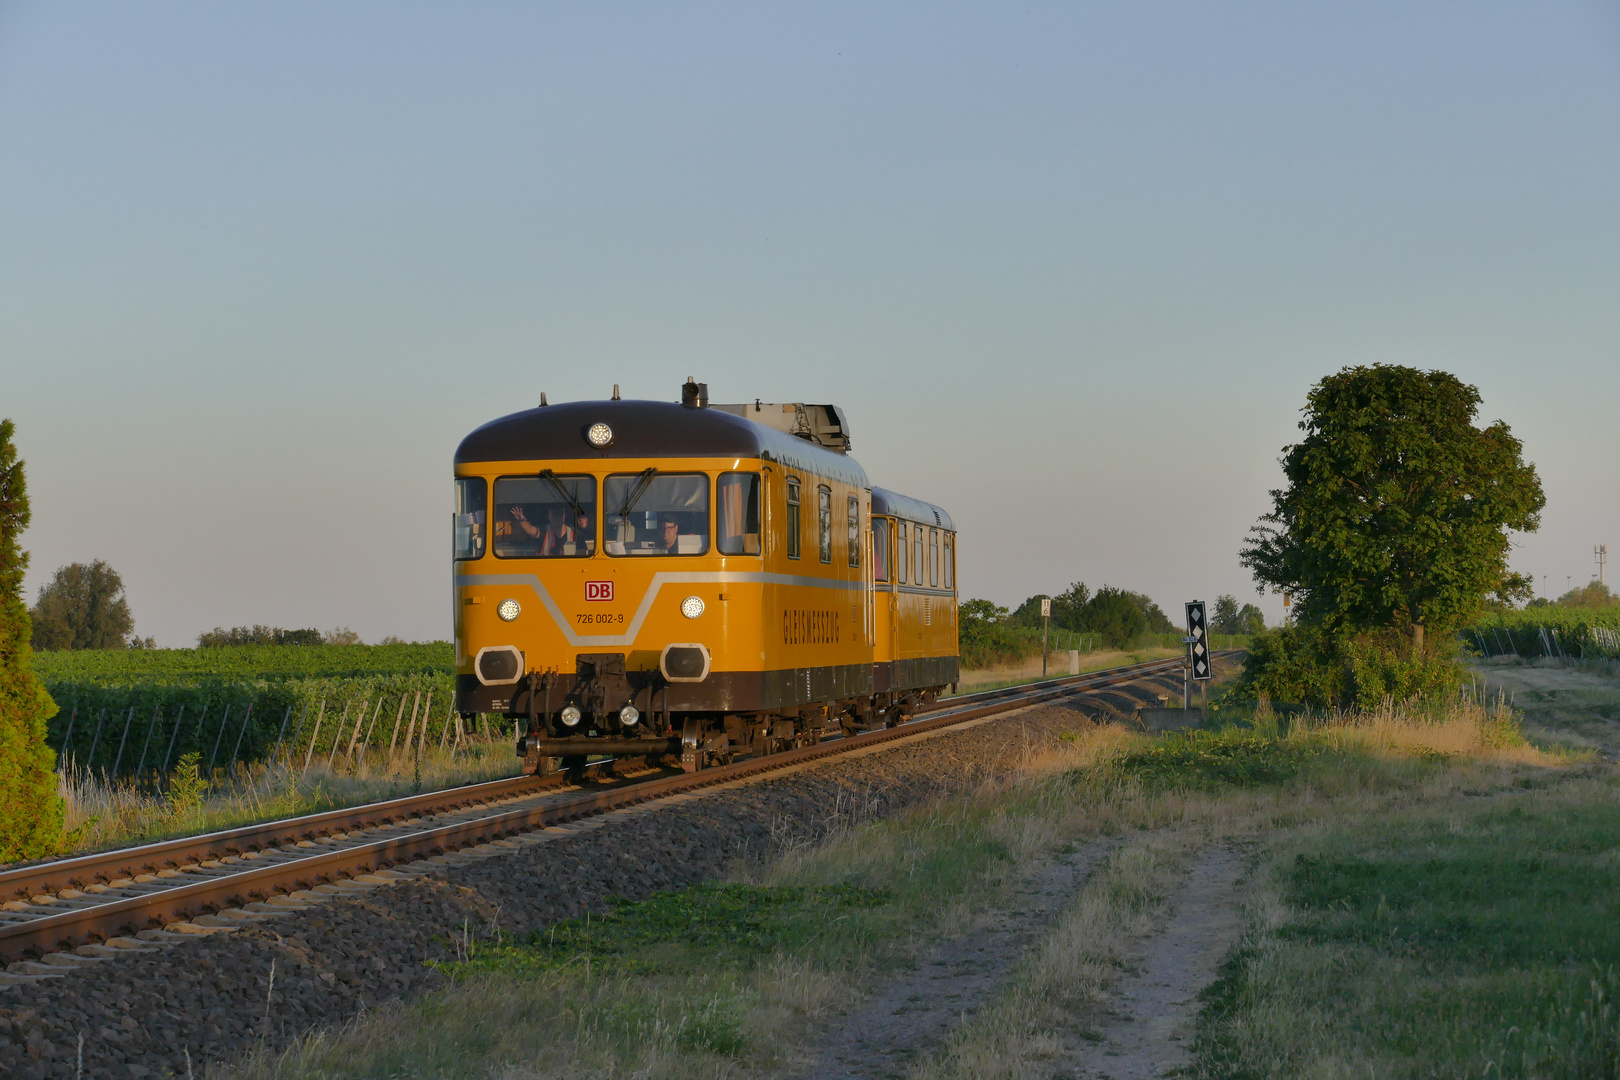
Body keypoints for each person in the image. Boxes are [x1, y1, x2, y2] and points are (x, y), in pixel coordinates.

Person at [510, 505, 576, 555]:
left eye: (556, 514)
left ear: (564, 516)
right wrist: (522, 521)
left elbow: (581, 553)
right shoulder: (544, 531)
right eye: (549, 515)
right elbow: (530, 530)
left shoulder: (576, 534)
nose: (552, 517)